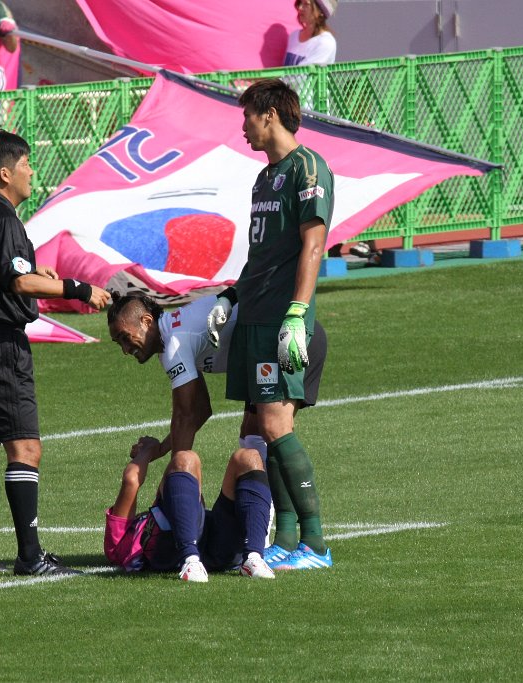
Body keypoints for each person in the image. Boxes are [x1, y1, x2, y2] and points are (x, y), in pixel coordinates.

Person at [0, 127, 111, 576]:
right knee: (25, 447)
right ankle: (31, 557)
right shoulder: (4, 219)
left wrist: (38, 274)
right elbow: (18, 281)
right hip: (0, 346)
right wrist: (78, 288)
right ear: (5, 173)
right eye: (25, 164)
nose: (31, 171)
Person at [207, 78, 334, 571]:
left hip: (282, 321)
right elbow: (261, 254)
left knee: (277, 425)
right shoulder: (265, 178)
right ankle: (284, 537)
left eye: (247, 116)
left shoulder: (309, 168)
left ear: (270, 114)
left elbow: (313, 246)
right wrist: (231, 295)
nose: (243, 127)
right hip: (254, 319)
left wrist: (297, 312)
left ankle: (316, 544)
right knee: (259, 426)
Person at [106, 291, 328, 563]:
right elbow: (201, 410)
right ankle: (276, 539)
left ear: (146, 321)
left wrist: (175, 490)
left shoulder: (174, 343)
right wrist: (162, 449)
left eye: (125, 337)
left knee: (271, 432)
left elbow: (186, 414)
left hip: (286, 341)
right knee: (254, 436)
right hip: (274, 346)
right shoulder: (171, 340)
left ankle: (287, 541)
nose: (125, 349)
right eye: (118, 343)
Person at [104, 437, 275, 582]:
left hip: (211, 543)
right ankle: (191, 560)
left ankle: (253, 558)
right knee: (185, 458)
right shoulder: (118, 546)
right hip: (172, 551)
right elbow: (131, 479)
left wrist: (166, 443)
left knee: (249, 457)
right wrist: (148, 450)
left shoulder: (134, 532)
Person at [283, 0, 336, 67]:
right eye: (300, 3)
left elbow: (304, 72)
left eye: (306, 4)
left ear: (320, 11)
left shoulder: (326, 42)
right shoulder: (294, 36)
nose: (300, 7)